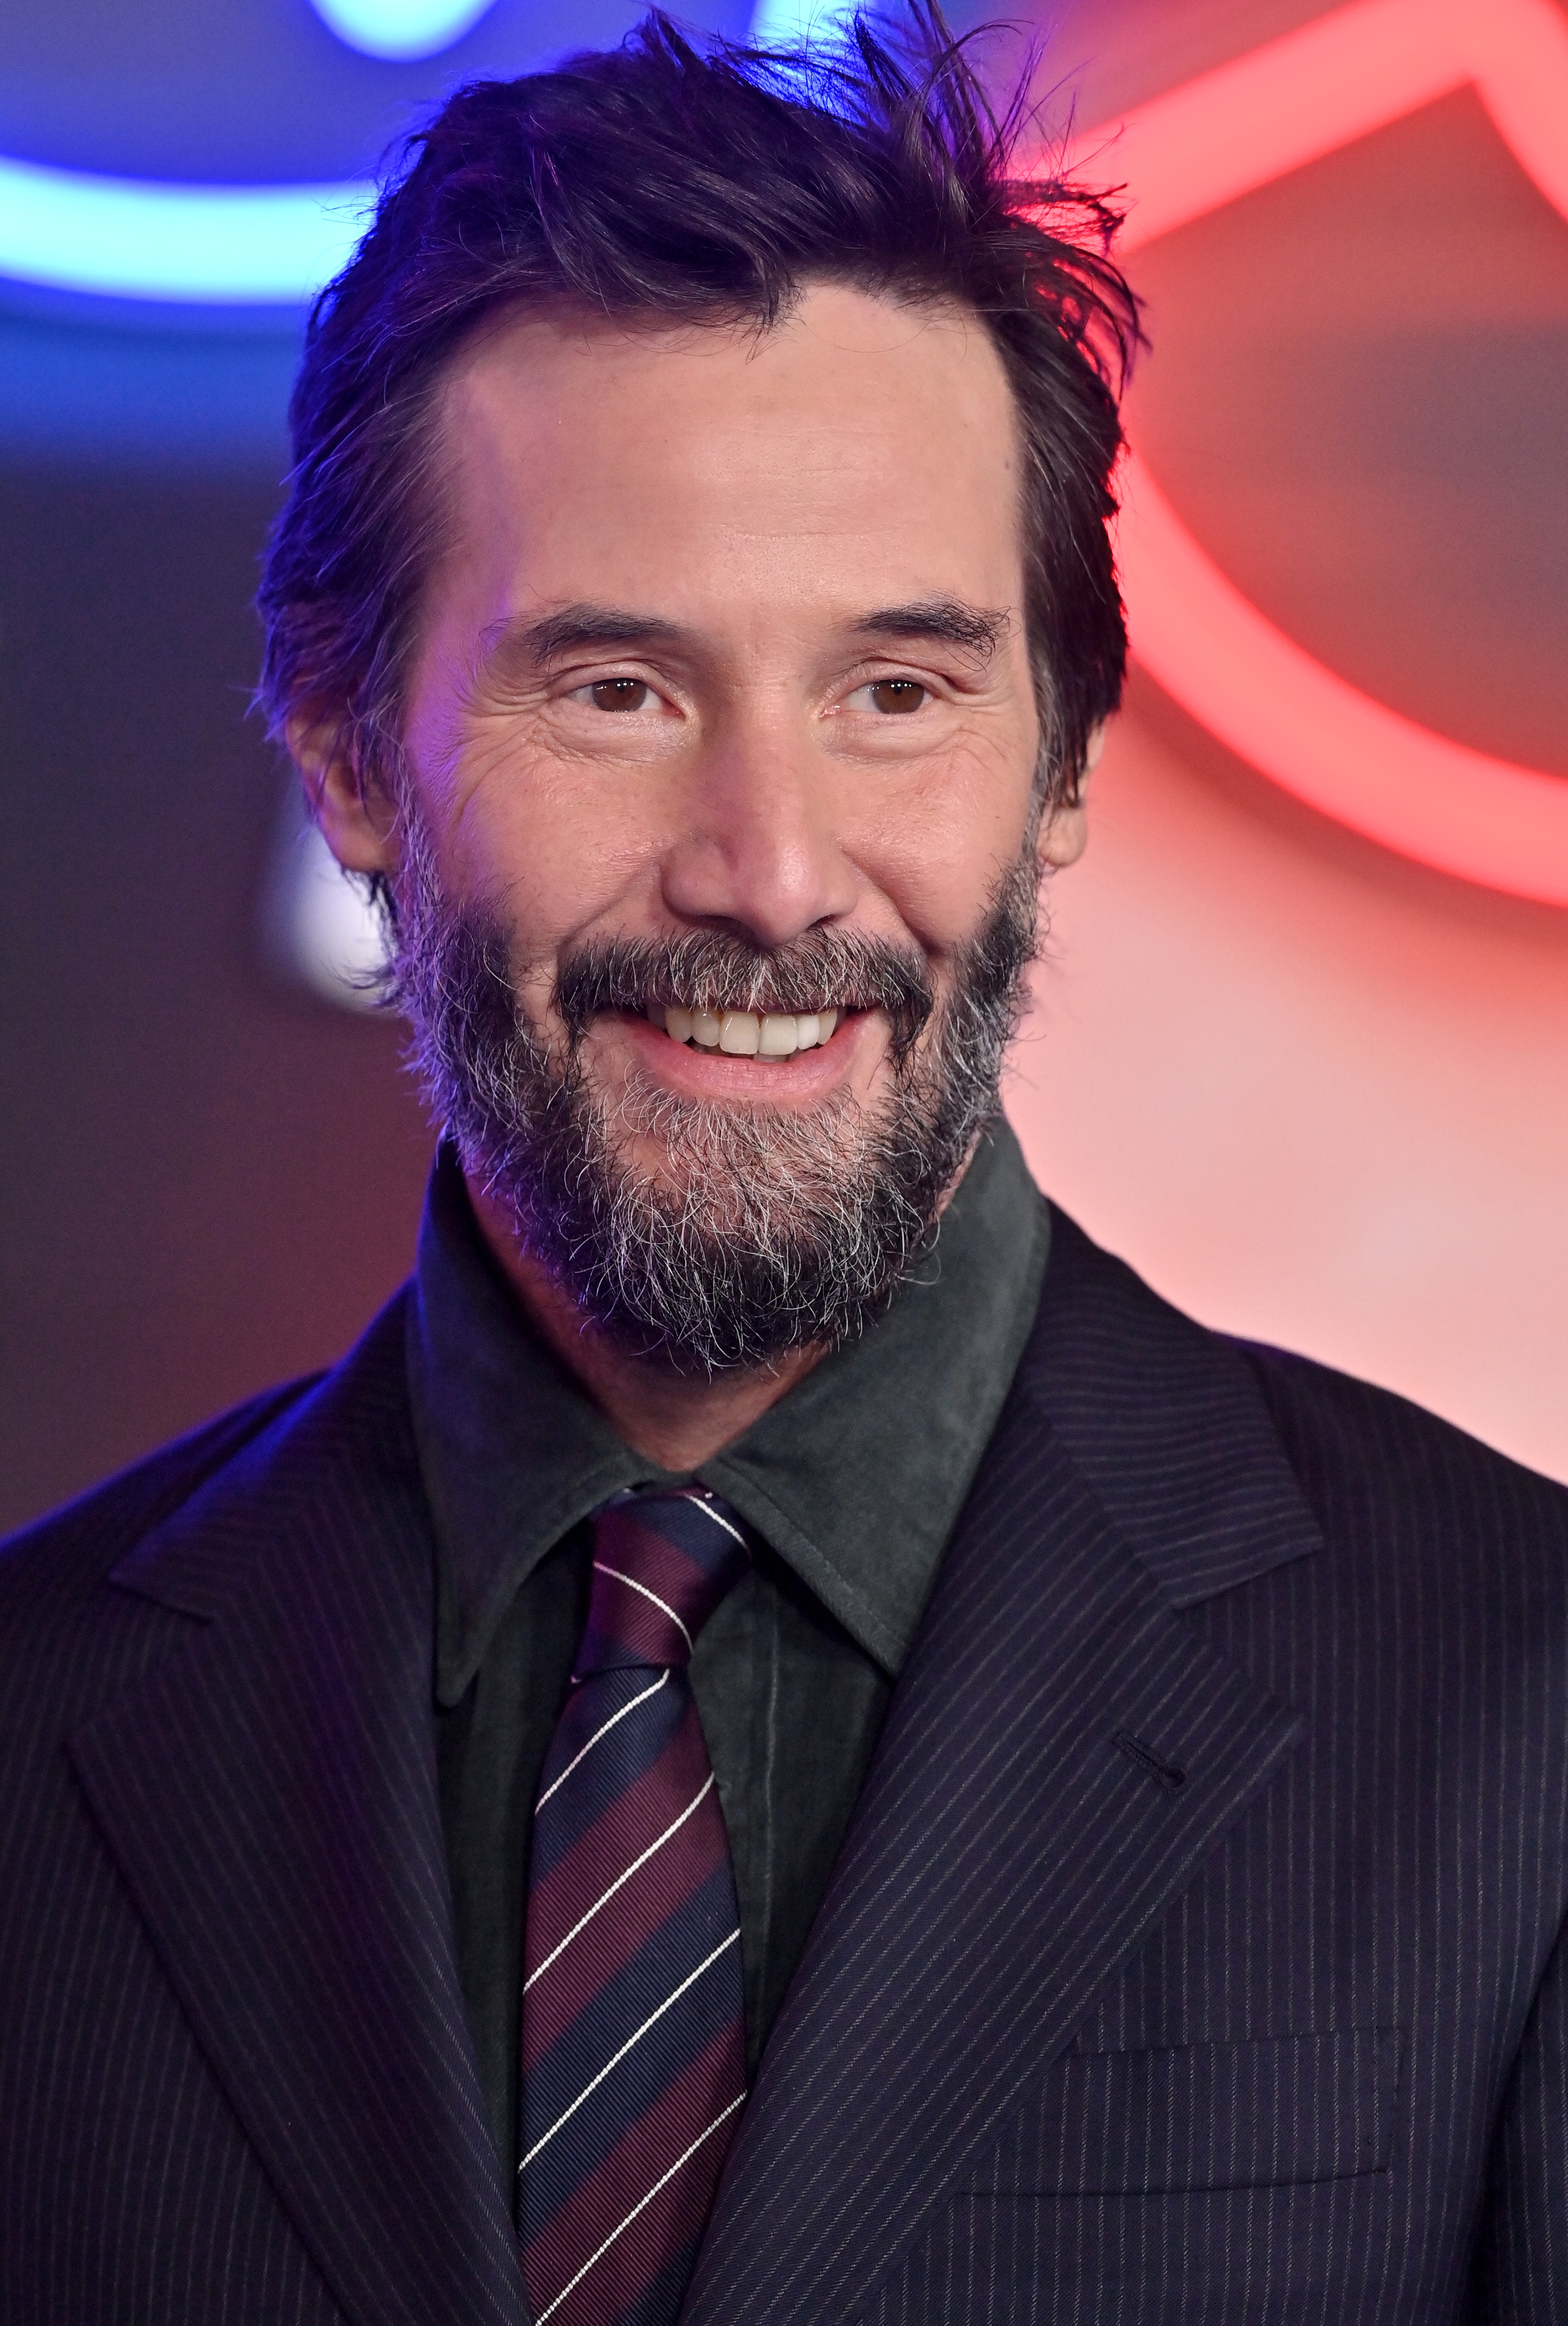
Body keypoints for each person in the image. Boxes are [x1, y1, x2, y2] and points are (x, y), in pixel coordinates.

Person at [2, 12, 1566, 2323]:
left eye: (896, 693)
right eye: (616, 689)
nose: (767, 872)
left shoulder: (1520, 1714)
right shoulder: (34, 1737)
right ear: (346, 757)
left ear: (1055, 766)